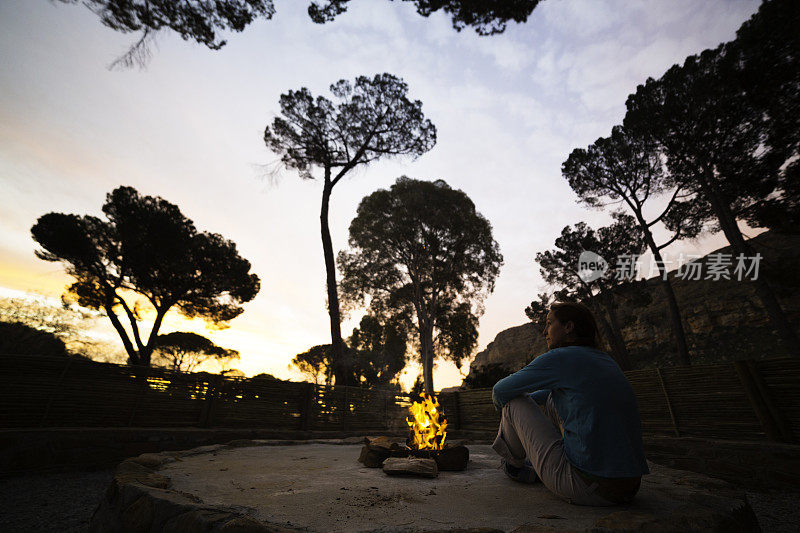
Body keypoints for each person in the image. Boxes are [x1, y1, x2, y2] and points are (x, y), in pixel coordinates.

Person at [491, 301, 649, 506]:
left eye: (549, 323)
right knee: (551, 397)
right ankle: (543, 464)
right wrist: (534, 398)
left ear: (568, 327)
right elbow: (553, 395)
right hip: (629, 486)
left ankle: (514, 466)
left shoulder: (559, 358)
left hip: (589, 487)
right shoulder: (603, 359)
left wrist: (512, 410)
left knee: (513, 402)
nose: (544, 331)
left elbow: (500, 391)